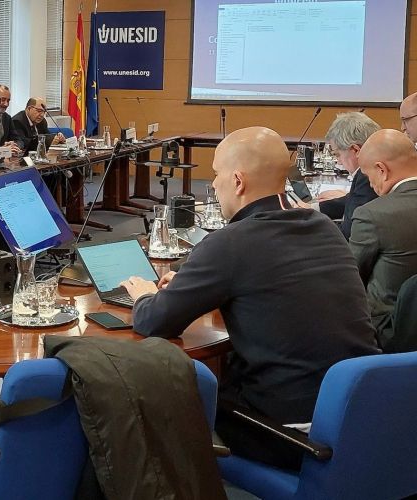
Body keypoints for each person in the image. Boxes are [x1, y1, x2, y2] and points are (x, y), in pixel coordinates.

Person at [120, 126, 379, 471]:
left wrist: (145, 295)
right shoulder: (323, 227)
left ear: (238, 181)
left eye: (216, 174)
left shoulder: (231, 242)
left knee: (171, 402)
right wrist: (200, 284)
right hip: (364, 415)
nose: (213, 184)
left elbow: (154, 321)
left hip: (294, 435)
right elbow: (274, 283)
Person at [349, 129, 417, 348]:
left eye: (368, 177)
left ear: (381, 169)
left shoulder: (372, 214)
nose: (370, 185)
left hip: (389, 335)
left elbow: (350, 278)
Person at [315, 112, 379, 237]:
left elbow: (349, 232)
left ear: (355, 150)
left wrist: (309, 225)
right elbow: (355, 199)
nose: (338, 162)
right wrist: (315, 208)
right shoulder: (372, 172)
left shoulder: (367, 176)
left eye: (338, 154)